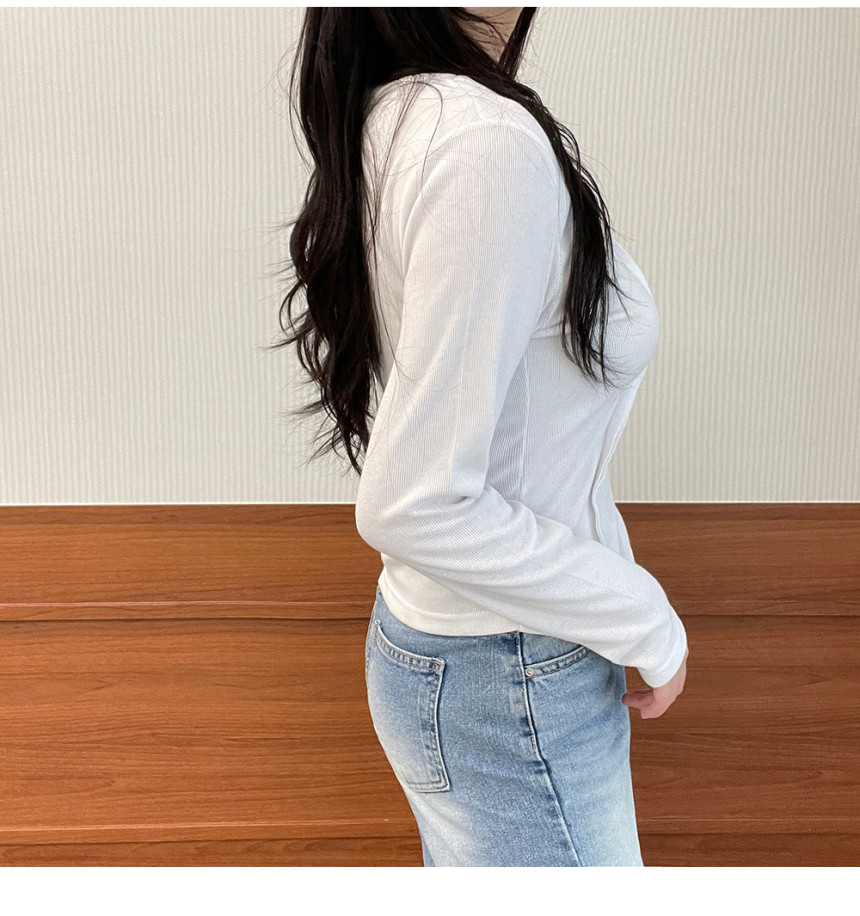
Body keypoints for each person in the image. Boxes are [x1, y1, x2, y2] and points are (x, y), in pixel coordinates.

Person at [275, 8, 689, 867]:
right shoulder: (483, 142)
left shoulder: (407, 113)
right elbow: (415, 502)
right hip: (511, 668)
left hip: (480, 660)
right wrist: (646, 618)